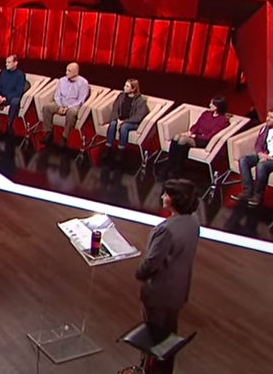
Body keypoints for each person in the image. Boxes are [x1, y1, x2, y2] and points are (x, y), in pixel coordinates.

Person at [135, 179, 200, 374]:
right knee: (168, 337)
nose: (163, 196)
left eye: (167, 194)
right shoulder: (193, 222)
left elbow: (151, 263)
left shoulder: (166, 230)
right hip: (178, 291)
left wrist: (140, 273)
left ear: (175, 200)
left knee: (152, 339)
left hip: (159, 293)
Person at [164, 97, 229, 178]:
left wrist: (195, 136)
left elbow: (210, 136)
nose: (209, 105)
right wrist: (190, 132)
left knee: (182, 140)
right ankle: (170, 164)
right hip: (195, 135)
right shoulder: (206, 113)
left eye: (212, 104)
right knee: (176, 136)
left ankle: (176, 168)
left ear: (217, 107)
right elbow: (197, 125)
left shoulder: (223, 120)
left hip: (204, 140)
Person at [231, 109, 273, 207]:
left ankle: (258, 195)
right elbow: (258, 144)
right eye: (268, 116)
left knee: (261, 165)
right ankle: (247, 191)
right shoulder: (265, 128)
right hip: (264, 155)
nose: (267, 119)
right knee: (243, 160)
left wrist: (268, 158)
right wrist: (260, 154)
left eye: (271, 118)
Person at [41, 62, 89, 147]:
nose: (66, 72)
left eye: (69, 71)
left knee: (71, 113)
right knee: (46, 108)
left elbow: (81, 100)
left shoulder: (83, 83)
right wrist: (60, 106)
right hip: (60, 103)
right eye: (66, 70)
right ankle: (49, 133)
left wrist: (68, 107)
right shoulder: (62, 80)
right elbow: (57, 95)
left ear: (76, 72)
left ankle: (64, 137)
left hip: (73, 106)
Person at [105, 78, 149, 151]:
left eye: (127, 86)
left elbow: (138, 117)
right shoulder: (121, 96)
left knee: (124, 127)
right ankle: (108, 147)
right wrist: (117, 119)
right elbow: (115, 107)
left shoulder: (140, 101)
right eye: (125, 85)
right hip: (119, 119)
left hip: (131, 122)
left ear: (133, 89)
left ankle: (121, 150)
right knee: (112, 124)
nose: (124, 87)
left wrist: (124, 121)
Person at [0, 55, 25, 133]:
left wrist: (5, 98)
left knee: (15, 101)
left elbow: (18, 92)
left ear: (15, 63)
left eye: (9, 62)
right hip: (1, 95)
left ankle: (9, 124)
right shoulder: (3, 72)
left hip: (11, 97)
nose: (6, 64)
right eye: (6, 62)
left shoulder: (20, 75)